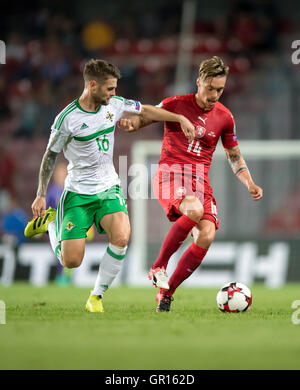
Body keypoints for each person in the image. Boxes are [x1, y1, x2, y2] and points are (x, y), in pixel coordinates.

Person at [24, 59, 195, 313]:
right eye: (109, 88)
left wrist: (178, 117)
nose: (114, 93)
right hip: (78, 194)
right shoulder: (67, 119)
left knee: (123, 236)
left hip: (108, 187)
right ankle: (51, 224)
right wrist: (40, 194)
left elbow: (146, 111)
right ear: (92, 85)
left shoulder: (114, 105)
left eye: (115, 88)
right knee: (71, 261)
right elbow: (50, 156)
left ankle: (96, 296)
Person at [118, 56, 263, 312]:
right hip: (171, 173)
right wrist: (133, 123)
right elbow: (147, 115)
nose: (215, 95)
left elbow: (233, 155)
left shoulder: (225, 118)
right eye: (210, 88)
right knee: (194, 210)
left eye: (220, 89)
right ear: (199, 82)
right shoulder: (177, 104)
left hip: (199, 181)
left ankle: (166, 293)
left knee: (206, 235)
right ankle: (158, 266)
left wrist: (248, 181)